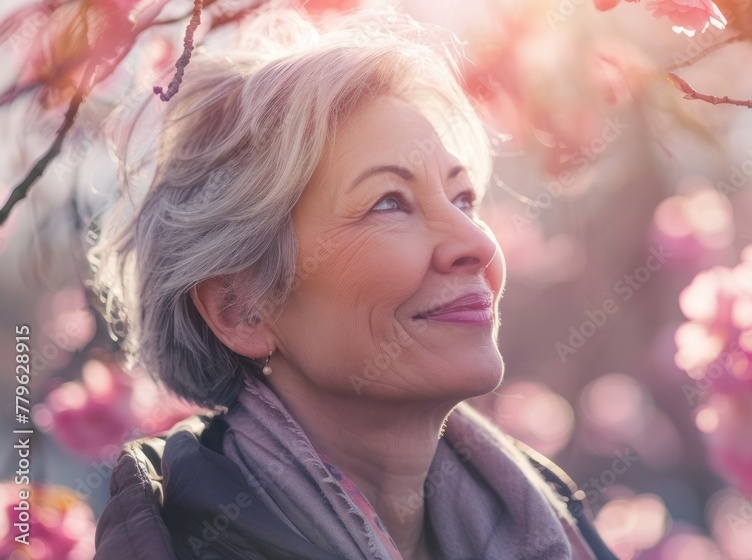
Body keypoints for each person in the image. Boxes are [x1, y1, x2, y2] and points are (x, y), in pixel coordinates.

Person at [89, 8, 618, 560]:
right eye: (389, 202)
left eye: (464, 200)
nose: (479, 245)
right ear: (239, 309)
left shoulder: (560, 526)